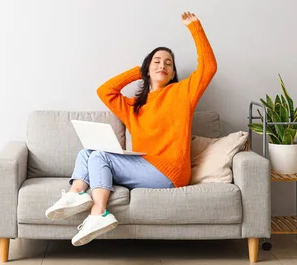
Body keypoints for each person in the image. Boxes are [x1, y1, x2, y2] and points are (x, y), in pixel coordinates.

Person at [45, 11, 217, 247]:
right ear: (147, 69)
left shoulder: (182, 93)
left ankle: (99, 212)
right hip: (143, 165)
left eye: (168, 63)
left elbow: (208, 67)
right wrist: (141, 69)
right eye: (156, 61)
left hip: (170, 172)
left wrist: (195, 27)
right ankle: (76, 193)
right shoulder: (134, 107)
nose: (162, 65)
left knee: (100, 157)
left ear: (173, 73)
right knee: (87, 153)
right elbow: (105, 91)